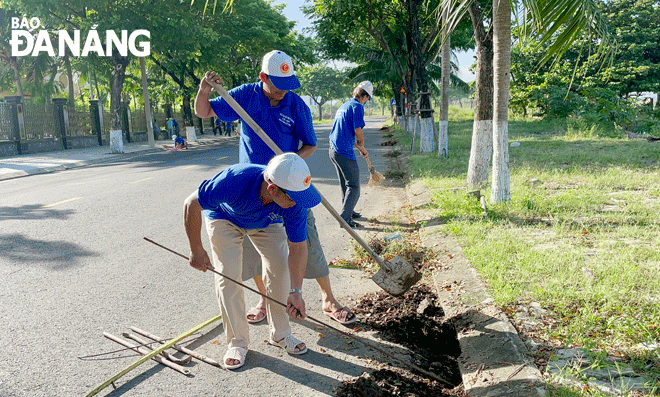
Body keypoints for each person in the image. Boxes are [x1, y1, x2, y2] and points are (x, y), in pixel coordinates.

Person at [194, 50, 357, 326]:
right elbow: (204, 111)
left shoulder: (296, 106)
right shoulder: (245, 95)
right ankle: (265, 299)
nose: (283, 91)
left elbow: (311, 145)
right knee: (255, 248)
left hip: (289, 184)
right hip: (254, 188)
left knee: (306, 238)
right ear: (263, 77)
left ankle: (328, 297)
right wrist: (203, 91)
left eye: (288, 85)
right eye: (278, 85)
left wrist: (288, 163)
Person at [184, 152, 321, 370]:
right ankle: (238, 342)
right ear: (272, 189)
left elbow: (297, 247)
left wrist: (296, 291)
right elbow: (191, 204)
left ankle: (281, 334)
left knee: (280, 267)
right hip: (225, 218)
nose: (298, 202)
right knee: (228, 276)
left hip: (265, 222)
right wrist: (196, 249)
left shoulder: (296, 203)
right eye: (294, 197)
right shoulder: (234, 180)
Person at [328, 81, 373, 228]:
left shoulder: (344, 106)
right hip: (343, 152)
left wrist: (360, 149)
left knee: (345, 184)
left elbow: (345, 132)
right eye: (368, 98)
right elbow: (357, 130)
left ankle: (349, 211)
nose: (366, 101)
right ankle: (345, 219)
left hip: (333, 150)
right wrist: (362, 143)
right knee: (354, 186)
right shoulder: (357, 107)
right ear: (364, 96)